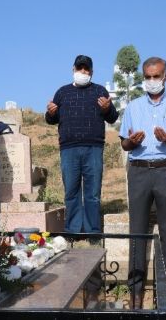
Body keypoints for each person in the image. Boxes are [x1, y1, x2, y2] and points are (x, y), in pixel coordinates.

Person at [120, 56, 166, 309]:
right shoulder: (133, 107)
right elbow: (124, 143)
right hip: (139, 171)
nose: (152, 81)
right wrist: (133, 141)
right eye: (148, 77)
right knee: (137, 231)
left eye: (156, 76)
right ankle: (136, 293)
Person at [45, 55, 118, 233]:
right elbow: (50, 119)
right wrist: (51, 112)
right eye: (80, 69)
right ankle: (73, 230)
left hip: (94, 147)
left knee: (92, 193)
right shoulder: (62, 92)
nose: (83, 72)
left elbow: (113, 117)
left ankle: (93, 230)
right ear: (73, 70)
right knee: (71, 191)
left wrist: (107, 108)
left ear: (91, 72)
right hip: (69, 148)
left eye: (86, 69)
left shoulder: (100, 91)